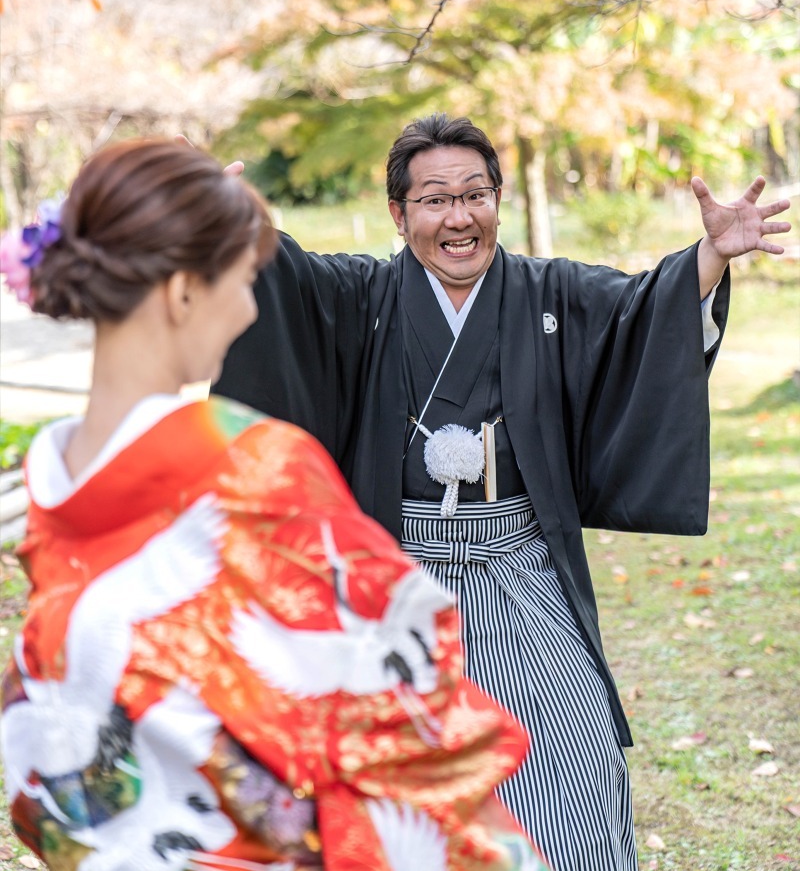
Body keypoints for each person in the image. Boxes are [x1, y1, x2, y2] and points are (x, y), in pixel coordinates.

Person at [213, 113, 792, 871]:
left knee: (573, 766)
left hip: (519, 570)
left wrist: (709, 257)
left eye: (475, 194)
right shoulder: (360, 297)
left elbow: (640, 312)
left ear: (497, 199)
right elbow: (283, 284)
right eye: (434, 199)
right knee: (399, 796)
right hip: (397, 579)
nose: (459, 217)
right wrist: (225, 223)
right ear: (399, 213)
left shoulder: (551, 293)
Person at [0, 139, 551, 871]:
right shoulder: (253, 467)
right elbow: (401, 709)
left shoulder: (56, 479)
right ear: (183, 290)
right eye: (240, 279)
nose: (250, 307)